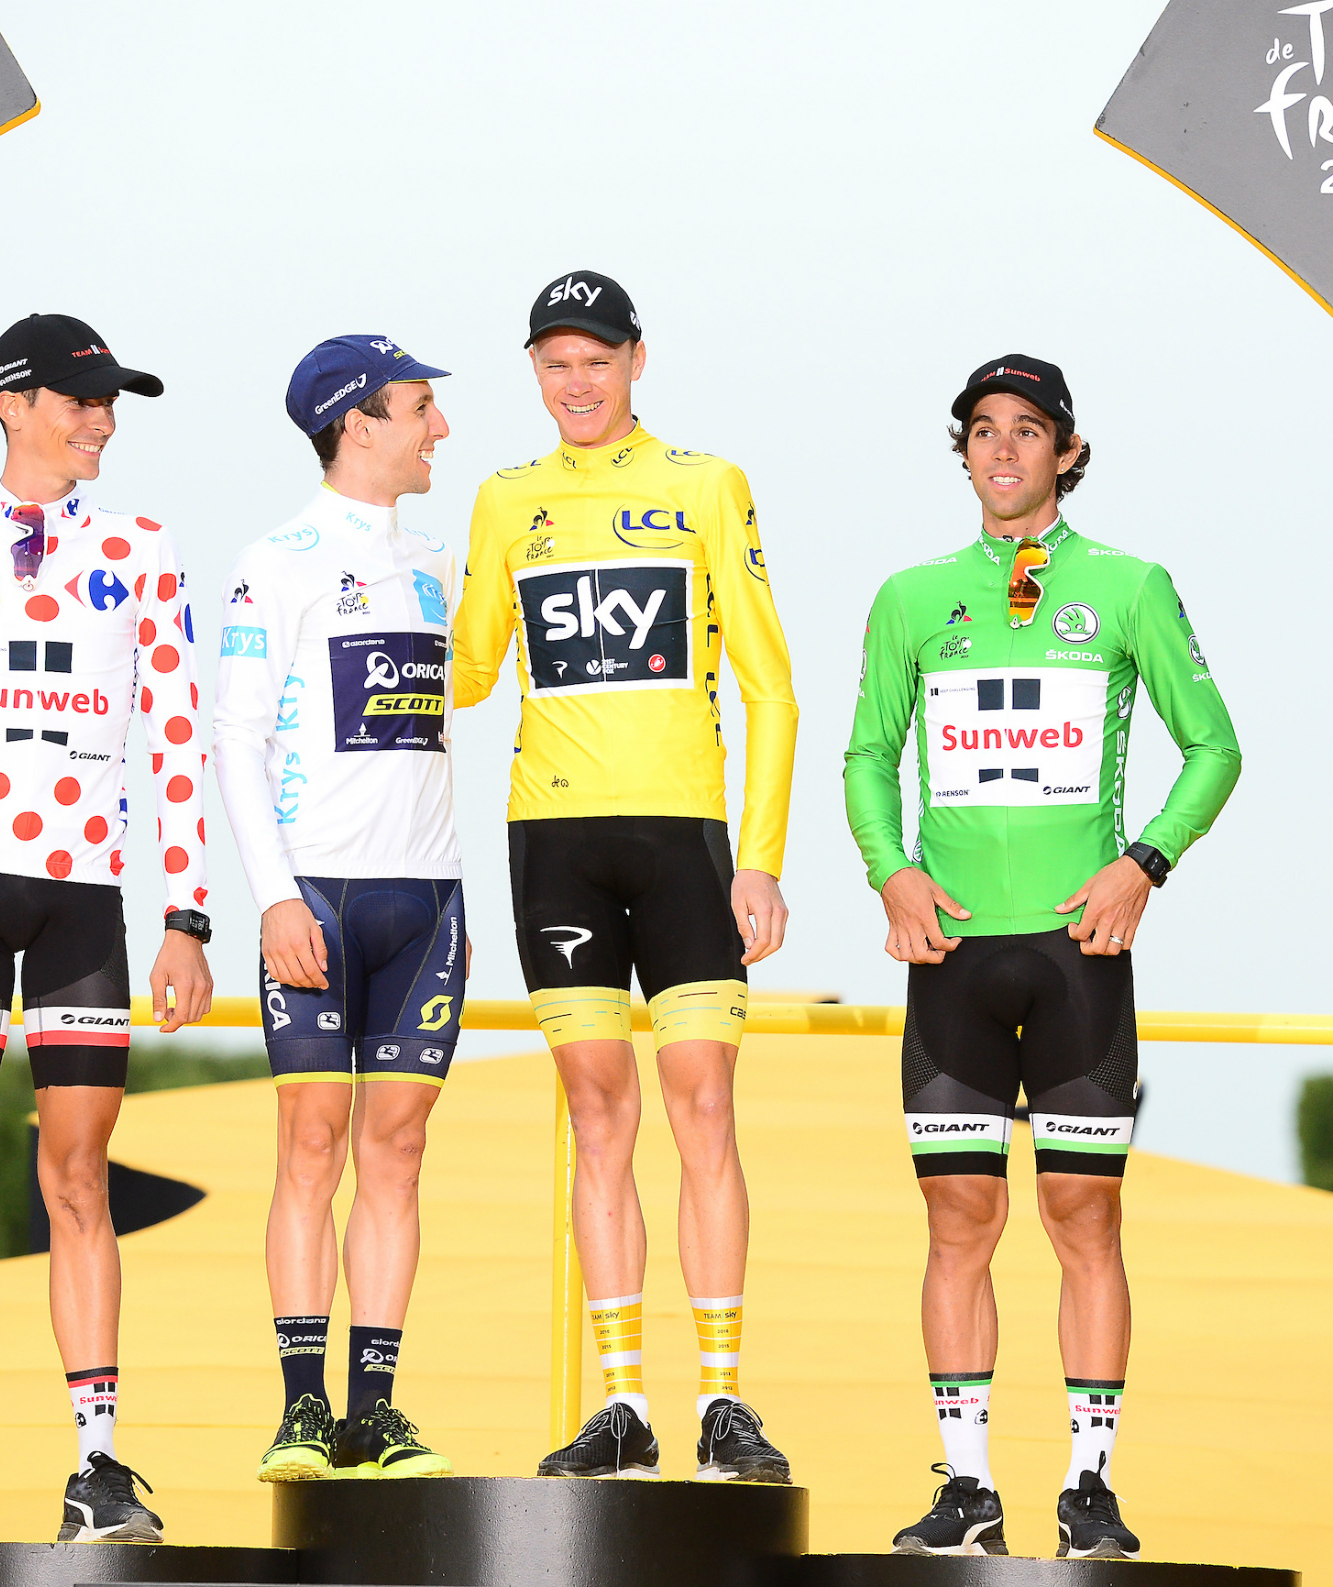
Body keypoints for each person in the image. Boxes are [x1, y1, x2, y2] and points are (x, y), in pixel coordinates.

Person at [843, 356, 1240, 1560]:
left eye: (1027, 430)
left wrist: (1144, 863)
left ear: (1066, 451)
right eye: (982, 430)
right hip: (952, 957)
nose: (1003, 449)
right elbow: (867, 756)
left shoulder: (1127, 585)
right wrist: (891, 871)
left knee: (1084, 1218)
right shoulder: (912, 596)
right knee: (956, 1219)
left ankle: (1090, 1488)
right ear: (961, 451)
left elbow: (1214, 746)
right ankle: (966, 1487)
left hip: (1077, 952)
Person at [0, 313, 214, 1544]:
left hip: (82, 898)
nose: (101, 420)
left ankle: (98, 1467)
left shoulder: (142, 546)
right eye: (80, 399)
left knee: (78, 1179)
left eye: (111, 400)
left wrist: (187, 915)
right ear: (13, 404)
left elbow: (177, 736)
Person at [451, 271, 798, 1482]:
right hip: (554, 843)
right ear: (532, 372)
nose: (576, 383)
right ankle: (622, 1407)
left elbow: (770, 686)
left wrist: (761, 858)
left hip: (683, 836)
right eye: (554, 363)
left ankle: (723, 1400)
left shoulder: (705, 484)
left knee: (702, 1104)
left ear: (636, 361)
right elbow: (467, 673)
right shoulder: (505, 499)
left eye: (595, 360)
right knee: (598, 1113)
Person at [211, 335, 464, 1482]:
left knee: (397, 1151)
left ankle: (376, 1409)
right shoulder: (276, 562)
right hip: (312, 890)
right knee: (310, 1144)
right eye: (419, 408)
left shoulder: (438, 563)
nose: (439, 428)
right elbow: (236, 740)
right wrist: (273, 899)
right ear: (357, 422)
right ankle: (301, 1407)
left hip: (426, 899)